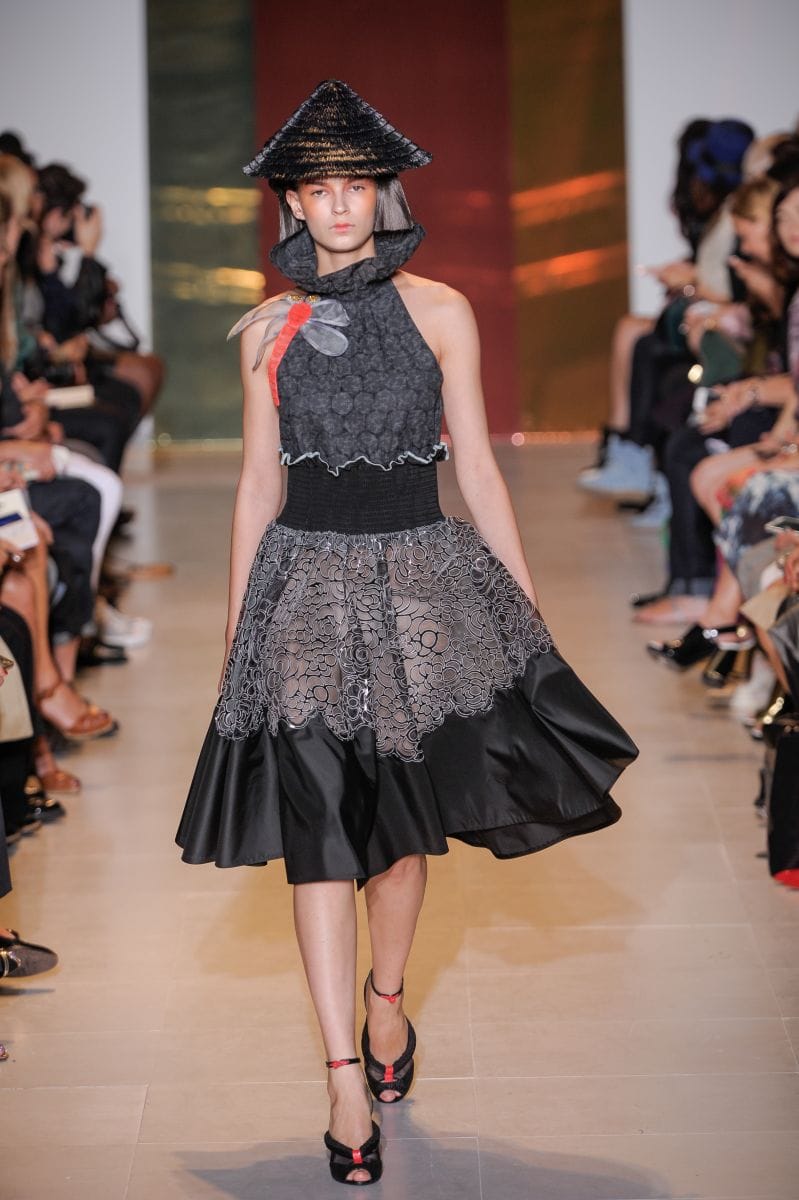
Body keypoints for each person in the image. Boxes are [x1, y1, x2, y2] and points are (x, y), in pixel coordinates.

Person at [175, 80, 638, 1187]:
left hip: (420, 585)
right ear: (292, 201)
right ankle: (343, 1076)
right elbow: (256, 485)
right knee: (320, 831)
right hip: (301, 591)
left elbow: (475, 466)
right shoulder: (268, 329)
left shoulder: (441, 311)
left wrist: (522, 607)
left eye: (356, 184)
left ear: (382, 192)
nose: (338, 205)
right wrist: (238, 628)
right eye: (318, 187)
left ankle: (387, 1002)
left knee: (394, 836)